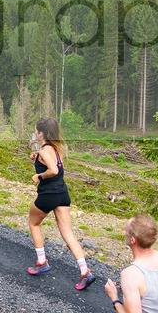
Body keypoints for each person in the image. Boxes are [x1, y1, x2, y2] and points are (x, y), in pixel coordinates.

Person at [26, 117, 96, 290]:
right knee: (68, 234)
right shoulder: (57, 148)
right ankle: (85, 272)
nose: (35, 132)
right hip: (63, 195)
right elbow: (54, 163)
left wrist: (38, 176)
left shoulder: (44, 151)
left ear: (41, 133)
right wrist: (36, 158)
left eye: (36, 130)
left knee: (33, 224)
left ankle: (42, 262)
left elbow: (53, 170)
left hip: (48, 194)